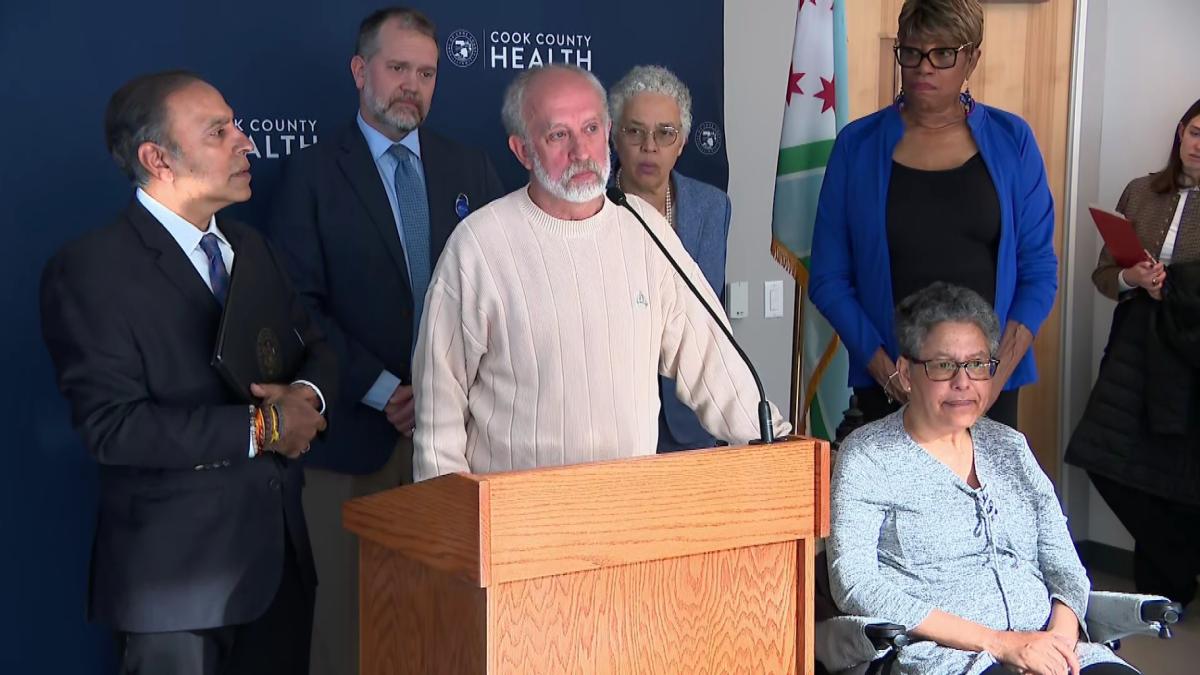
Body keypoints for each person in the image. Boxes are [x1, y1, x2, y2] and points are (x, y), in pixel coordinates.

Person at [39, 71, 335, 675]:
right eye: (219, 131)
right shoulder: (91, 270)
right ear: (158, 158)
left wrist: (306, 396)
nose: (246, 142)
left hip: (279, 574)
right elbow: (113, 429)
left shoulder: (253, 249)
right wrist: (261, 428)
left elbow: (319, 350)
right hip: (174, 596)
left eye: (237, 126)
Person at [266, 7, 505, 673]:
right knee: (351, 629)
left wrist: (446, 394)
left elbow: (500, 296)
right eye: (398, 68)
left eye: (426, 73)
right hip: (355, 442)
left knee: (449, 622)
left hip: (461, 442)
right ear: (360, 70)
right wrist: (384, 390)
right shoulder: (312, 176)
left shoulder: (471, 167)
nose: (412, 85)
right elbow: (297, 304)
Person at [411, 64, 789, 481]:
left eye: (591, 129)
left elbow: (714, 361)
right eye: (558, 135)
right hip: (516, 523)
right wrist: (447, 518)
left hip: (627, 513)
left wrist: (775, 446)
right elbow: (438, 408)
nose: (581, 151)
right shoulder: (479, 245)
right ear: (521, 150)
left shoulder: (645, 229)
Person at [827, 282, 1134, 675]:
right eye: (942, 366)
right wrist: (1001, 643)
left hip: (1049, 646)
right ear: (905, 373)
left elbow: (1063, 562)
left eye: (977, 364)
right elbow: (854, 584)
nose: (963, 382)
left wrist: (1058, 639)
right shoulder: (869, 455)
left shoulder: (1010, 447)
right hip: (950, 659)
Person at [809, 0, 1057, 429]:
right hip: (889, 384)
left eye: (943, 54)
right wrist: (888, 372)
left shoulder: (1012, 140)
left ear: (972, 58)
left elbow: (1038, 271)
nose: (924, 67)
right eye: (912, 52)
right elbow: (829, 279)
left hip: (985, 389)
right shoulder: (857, 147)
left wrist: (992, 377)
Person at [1066, 97, 1200, 608]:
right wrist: (1132, 277)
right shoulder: (1140, 191)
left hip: (1186, 353)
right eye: (1194, 132)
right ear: (1179, 133)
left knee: (1173, 468)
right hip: (1132, 342)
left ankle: (1165, 587)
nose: (1198, 145)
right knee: (1107, 458)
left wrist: (1177, 288)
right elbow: (1104, 273)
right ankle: (1173, 575)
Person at [608, 64, 732, 453]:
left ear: (682, 143)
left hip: (691, 419)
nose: (650, 146)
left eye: (665, 133)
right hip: (612, 421)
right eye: (635, 131)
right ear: (613, 136)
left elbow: (709, 319)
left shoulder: (711, 207)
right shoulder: (588, 208)